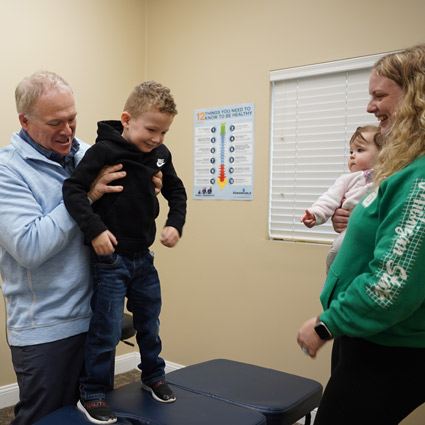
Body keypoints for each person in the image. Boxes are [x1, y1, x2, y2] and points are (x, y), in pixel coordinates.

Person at [0, 71, 161, 425]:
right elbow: (29, 246)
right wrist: (85, 198)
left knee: (90, 417)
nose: (68, 130)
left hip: (98, 317)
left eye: (72, 119)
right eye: (55, 122)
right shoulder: (7, 171)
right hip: (49, 329)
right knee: (47, 420)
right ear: (24, 121)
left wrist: (146, 189)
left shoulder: (91, 154)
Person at [297, 43, 425, 424]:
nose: (370, 107)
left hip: (390, 347)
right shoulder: (405, 167)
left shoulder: (419, 178)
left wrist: (326, 324)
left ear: (417, 96)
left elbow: (394, 282)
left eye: (380, 95)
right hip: (367, 336)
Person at [62, 81, 187, 424]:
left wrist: (175, 224)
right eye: (151, 129)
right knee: (107, 329)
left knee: (150, 323)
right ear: (127, 120)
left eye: (164, 131)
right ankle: (92, 392)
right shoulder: (103, 151)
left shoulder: (160, 155)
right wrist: (96, 230)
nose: (157, 139)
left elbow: (177, 193)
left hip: (143, 258)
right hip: (110, 259)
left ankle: (153, 376)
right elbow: (72, 190)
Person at [301, 125, 382, 273]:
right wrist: (315, 214)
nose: (352, 155)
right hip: (351, 230)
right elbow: (329, 198)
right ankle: (332, 284)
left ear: (383, 153)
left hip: (378, 233)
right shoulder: (347, 179)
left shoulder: (388, 176)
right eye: (351, 151)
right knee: (337, 252)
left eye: (360, 150)